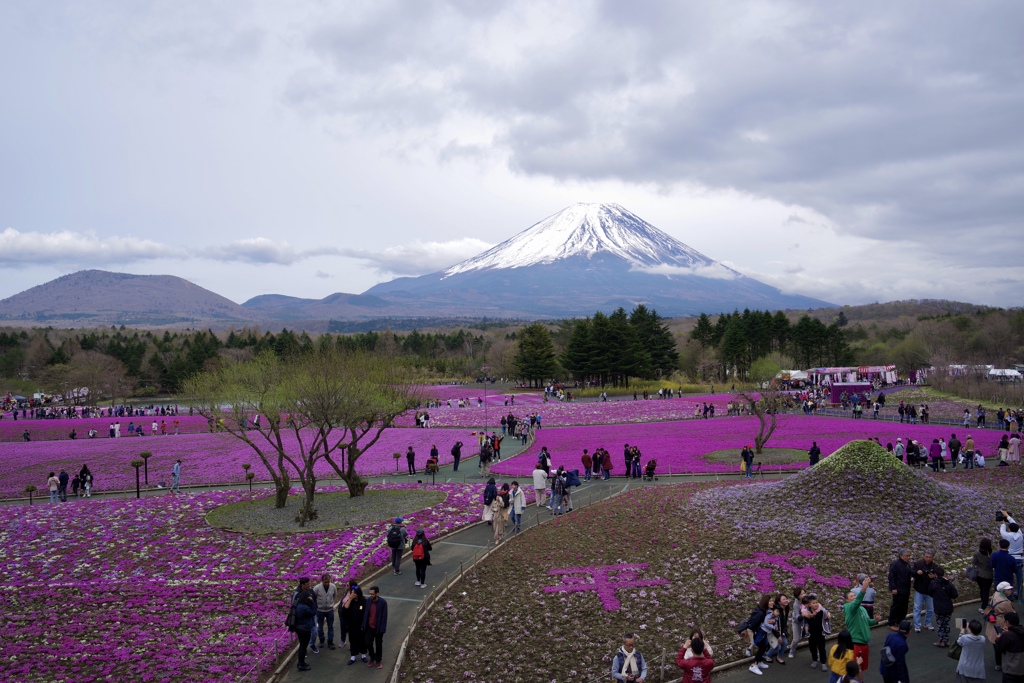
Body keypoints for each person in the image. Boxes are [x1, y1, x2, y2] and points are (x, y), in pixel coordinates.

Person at [843, 576, 877, 667]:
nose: (854, 597)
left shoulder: (862, 609)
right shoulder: (849, 608)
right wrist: (863, 589)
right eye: (851, 596)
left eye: (854, 595)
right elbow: (857, 602)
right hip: (856, 643)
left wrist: (876, 620)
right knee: (856, 668)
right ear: (846, 600)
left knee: (862, 667)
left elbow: (868, 622)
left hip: (865, 643)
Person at [986, 581, 1016, 671]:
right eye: (1008, 589)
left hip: (993, 621)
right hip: (1002, 621)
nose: (1010, 590)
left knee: (996, 643)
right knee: (1005, 642)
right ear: (1004, 590)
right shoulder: (1005, 602)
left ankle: (998, 663)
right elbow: (1011, 613)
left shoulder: (995, 594)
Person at [928, 566, 958, 647]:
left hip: (939, 607)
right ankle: (946, 640)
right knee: (947, 624)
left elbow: (929, 592)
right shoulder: (948, 583)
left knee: (940, 624)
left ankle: (941, 641)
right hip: (948, 606)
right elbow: (955, 594)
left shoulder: (933, 583)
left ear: (935, 574)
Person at [292, 578, 317, 672]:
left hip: (298, 627)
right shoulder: (305, 608)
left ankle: (301, 662)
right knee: (303, 646)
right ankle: (301, 664)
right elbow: (314, 611)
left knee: (302, 645)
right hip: (305, 628)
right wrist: (311, 601)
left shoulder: (298, 605)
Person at [339, 585, 368, 665]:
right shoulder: (350, 601)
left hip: (361, 625)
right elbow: (344, 610)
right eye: (351, 593)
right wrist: (350, 599)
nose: (352, 594)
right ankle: (353, 656)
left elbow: (365, 612)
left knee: (362, 640)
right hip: (352, 625)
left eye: (354, 593)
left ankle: (363, 655)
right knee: (353, 640)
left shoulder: (363, 600)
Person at [801, 592, 830, 672]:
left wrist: (828, 614)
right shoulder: (807, 613)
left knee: (822, 648)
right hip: (811, 634)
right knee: (812, 647)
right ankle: (815, 660)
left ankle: (823, 662)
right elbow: (803, 620)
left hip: (820, 633)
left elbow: (827, 614)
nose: (816, 604)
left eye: (817, 602)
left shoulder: (821, 612)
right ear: (809, 605)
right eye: (813, 603)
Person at [362, 586, 388, 670]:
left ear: (377, 594)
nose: (370, 595)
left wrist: (382, 629)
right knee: (368, 643)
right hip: (369, 627)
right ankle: (372, 657)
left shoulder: (383, 603)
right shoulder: (368, 601)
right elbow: (366, 613)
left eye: (372, 594)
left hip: (378, 628)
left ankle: (378, 660)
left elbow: (384, 617)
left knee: (378, 645)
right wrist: (363, 625)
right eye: (369, 594)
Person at [1000, 511, 1024, 601]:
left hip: (1010, 558)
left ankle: (1010, 595)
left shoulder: (1007, 536)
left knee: (1009, 577)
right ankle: (1020, 595)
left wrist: (1003, 524)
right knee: (1019, 578)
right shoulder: (1020, 535)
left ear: (1009, 529)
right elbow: (1015, 525)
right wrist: (1008, 517)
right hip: (1020, 558)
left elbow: (1002, 531)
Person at [912, 549, 938, 632]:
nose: (928, 558)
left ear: (933, 557)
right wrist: (917, 573)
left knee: (930, 608)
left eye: (930, 557)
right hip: (919, 590)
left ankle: (928, 623)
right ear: (923, 556)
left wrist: (934, 577)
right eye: (926, 557)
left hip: (930, 591)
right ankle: (917, 625)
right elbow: (911, 572)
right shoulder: (918, 564)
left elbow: (938, 577)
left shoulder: (935, 566)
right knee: (917, 608)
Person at [887, 550, 913, 628]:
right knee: (896, 606)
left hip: (905, 589)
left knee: (904, 606)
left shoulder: (907, 565)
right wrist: (893, 588)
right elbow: (891, 577)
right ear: (901, 556)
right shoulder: (895, 564)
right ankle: (891, 623)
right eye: (907, 556)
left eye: (909, 556)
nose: (908, 558)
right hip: (898, 589)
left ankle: (900, 621)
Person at [995, 611, 1024, 680]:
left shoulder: (1007, 635)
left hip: (1011, 670)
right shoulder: (1021, 631)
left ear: (1007, 622)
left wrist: (998, 639)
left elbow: (1000, 648)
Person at [956, 619, 986, 683]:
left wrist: (962, 631)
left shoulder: (964, 638)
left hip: (965, 668)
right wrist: (969, 629)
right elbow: (973, 636)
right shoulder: (983, 639)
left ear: (970, 629)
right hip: (978, 669)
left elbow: (959, 642)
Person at [313, 574, 338, 650]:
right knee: (320, 626)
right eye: (325, 582)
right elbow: (314, 597)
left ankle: (330, 641)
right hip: (320, 610)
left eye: (328, 582)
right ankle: (321, 640)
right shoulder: (317, 588)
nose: (327, 583)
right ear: (322, 581)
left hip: (330, 610)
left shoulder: (333, 587)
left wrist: (331, 604)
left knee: (330, 626)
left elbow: (335, 596)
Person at [973, 537, 995, 607]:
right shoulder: (992, 554)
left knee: (982, 590)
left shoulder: (977, 553)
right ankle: (984, 605)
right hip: (989, 575)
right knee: (986, 590)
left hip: (979, 574)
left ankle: (984, 604)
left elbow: (974, 562)